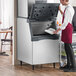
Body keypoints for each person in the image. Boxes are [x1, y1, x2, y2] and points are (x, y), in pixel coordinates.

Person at [53, 0, 76, 72]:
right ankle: (68, 65)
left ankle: (74, 67)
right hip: (66, 29)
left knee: (69, 47)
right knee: (66, 47)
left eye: (61, 0)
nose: (60, 2)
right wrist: (60, 10)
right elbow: (65, 16)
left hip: (67, 28)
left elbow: (66, 22)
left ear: (64, 0)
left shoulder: (69, 9)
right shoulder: (67, 8)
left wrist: (57, 30)